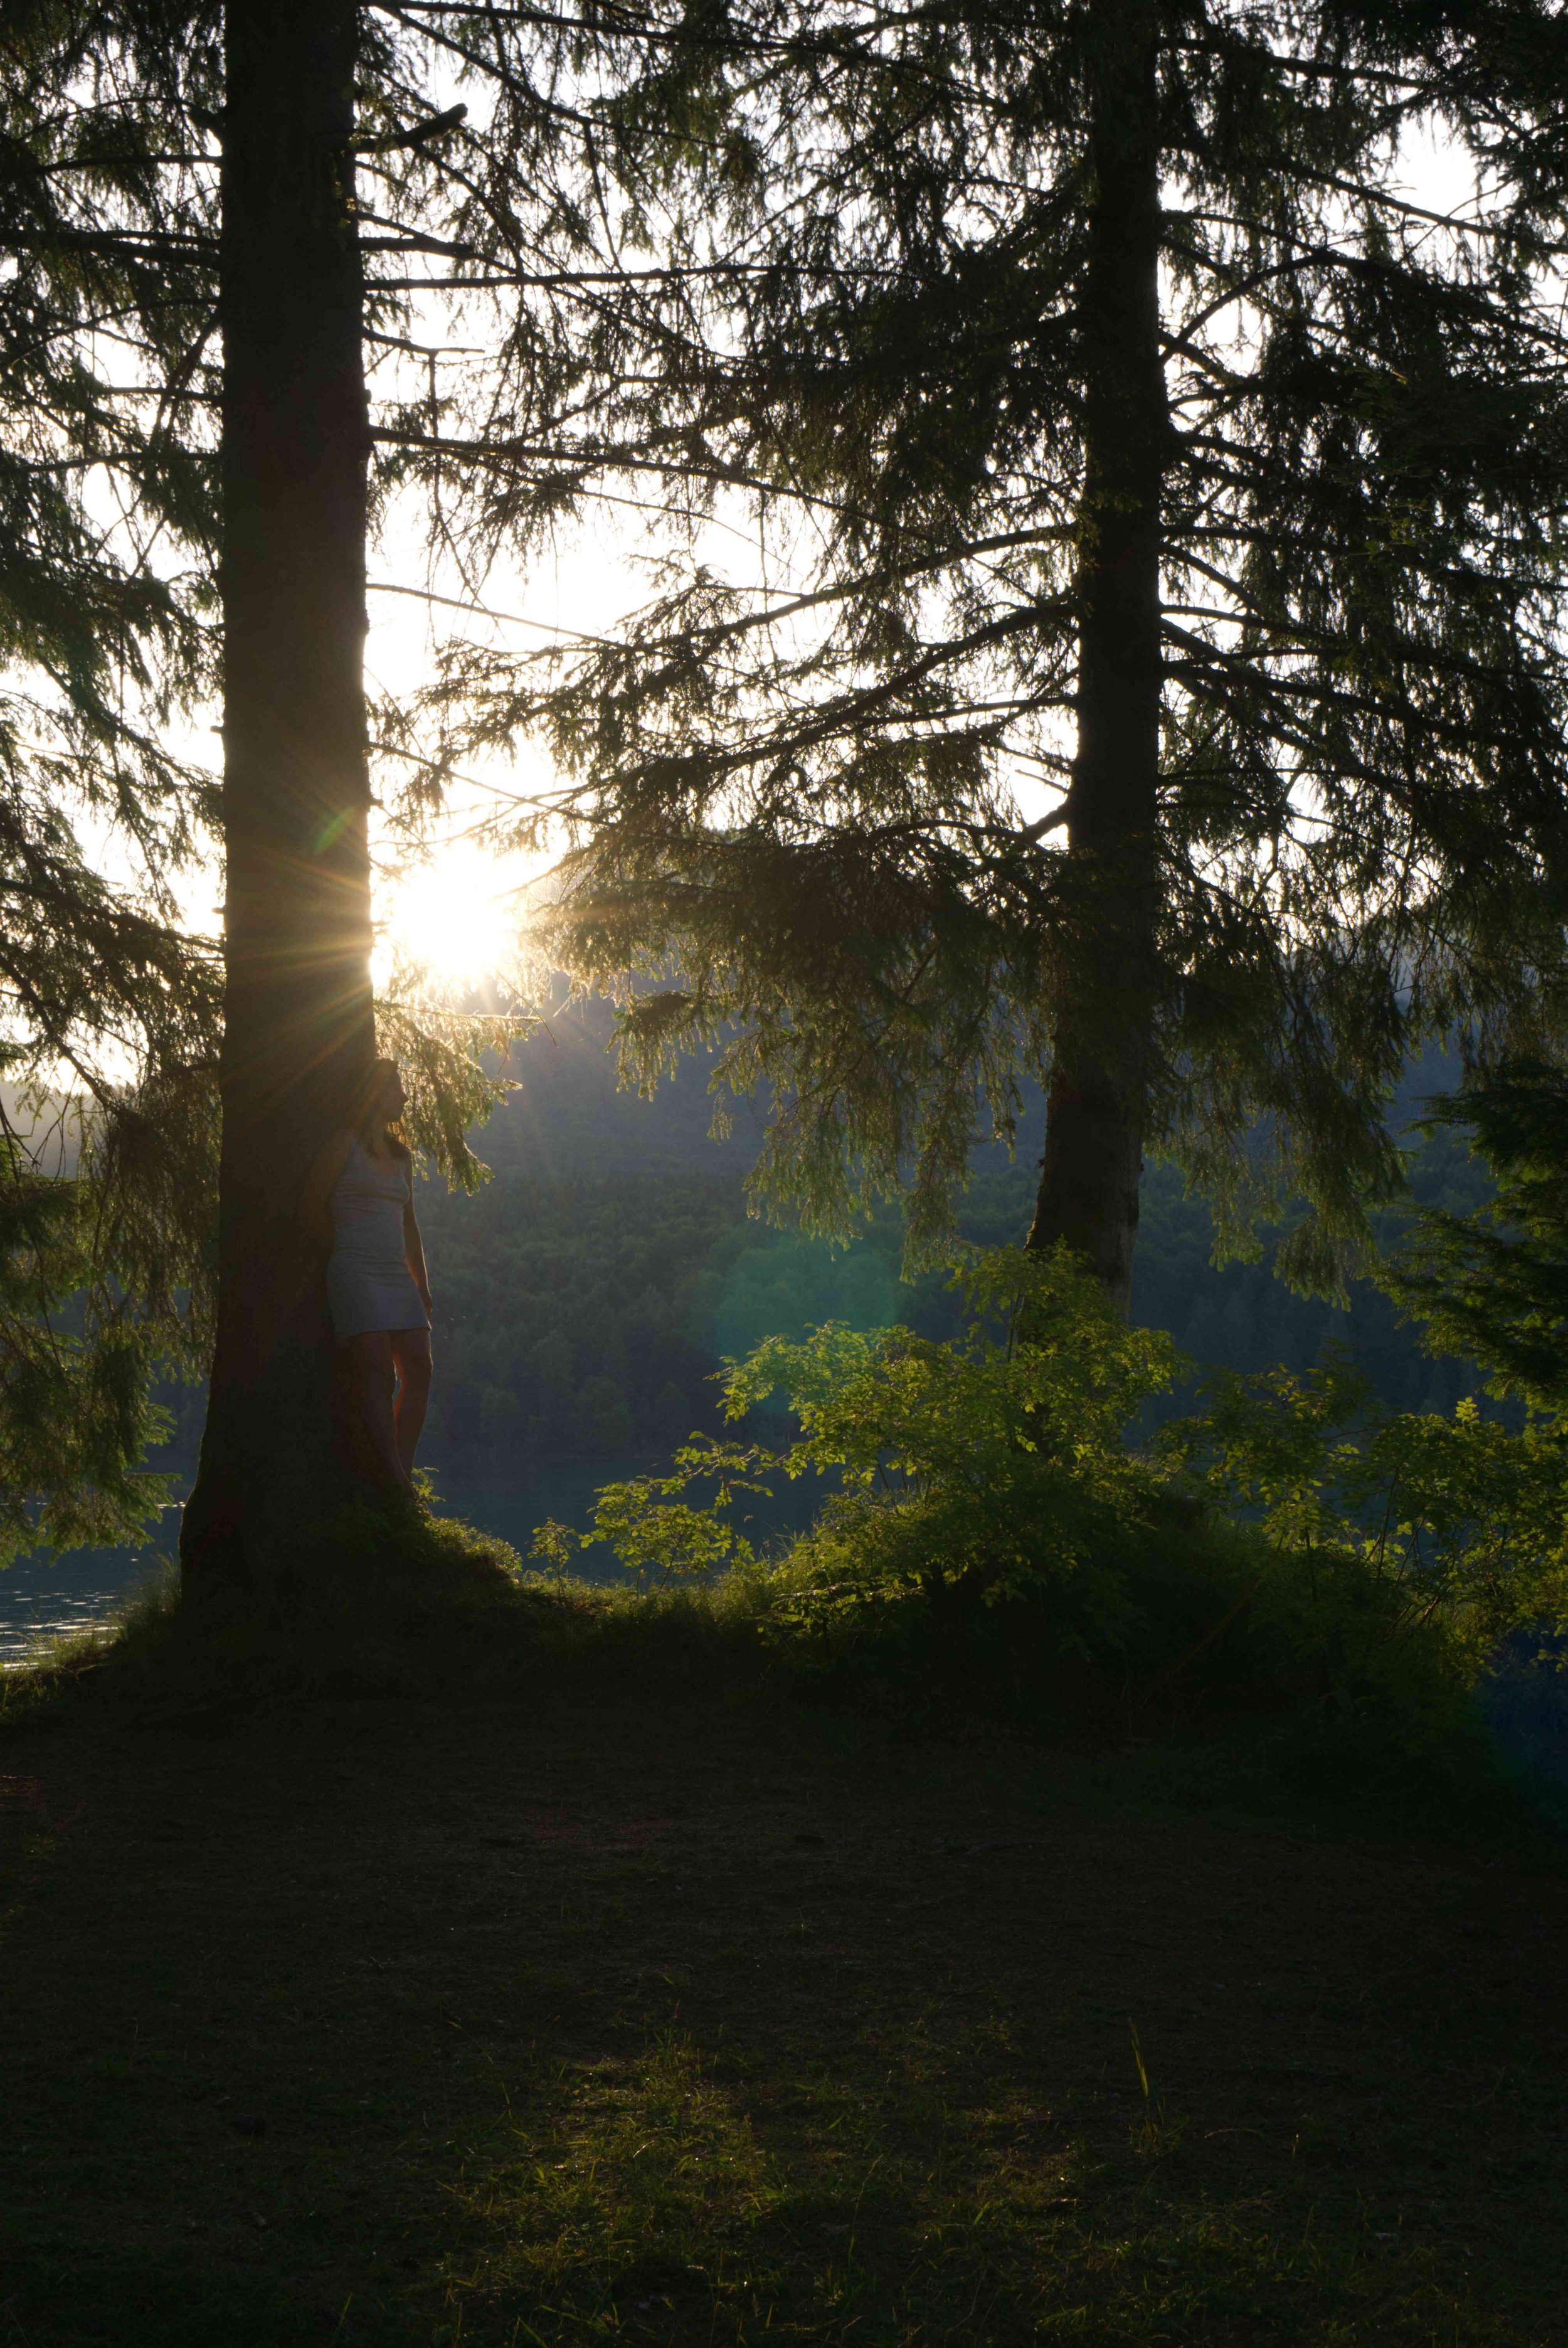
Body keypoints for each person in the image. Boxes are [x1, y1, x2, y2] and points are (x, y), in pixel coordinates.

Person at [301, 1058, 433, 1492]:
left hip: (395, 1274)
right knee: (377, 1368)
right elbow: (311, 1202)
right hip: (356, 1270)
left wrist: (422, 1284)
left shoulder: (400, 1157)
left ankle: (403, 1468)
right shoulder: (344, 1143)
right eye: (396, 1088)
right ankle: (395, 1482)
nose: (405, 1096)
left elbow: (410, 1223)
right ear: (374, 1092)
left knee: (420, 1367)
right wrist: (339, 1247)